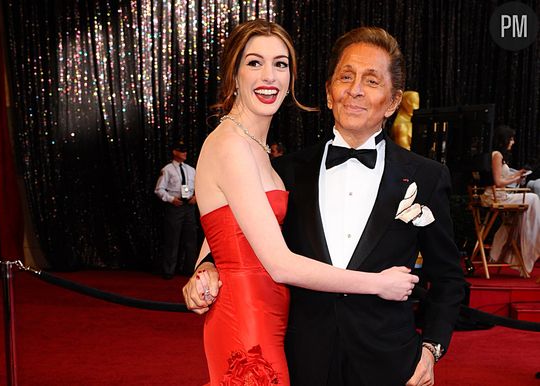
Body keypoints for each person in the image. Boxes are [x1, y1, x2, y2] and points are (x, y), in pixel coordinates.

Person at [185, 25, 466, 386]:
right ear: (329, 93)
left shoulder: (427, 178)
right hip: (299, 357)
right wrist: (206, 268)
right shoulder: (286, 171)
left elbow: (448, 278)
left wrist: (431, 351)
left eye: (372, 80)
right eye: (346, 77)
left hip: (389, 361)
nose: (356, 90)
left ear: (394, 102)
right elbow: (232, 232)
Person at [485, 125, 540, 275]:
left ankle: (531, 236)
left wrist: (518, 174)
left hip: (500, 194)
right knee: (533, 198)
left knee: (531, 200)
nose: (513, 142)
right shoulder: (497, 155)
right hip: (497, 196)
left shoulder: (498, 155)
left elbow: (503, 179)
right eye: (511, 139)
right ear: (504, 140)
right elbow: (498, 182)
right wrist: (516, 177)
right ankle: (533, 237)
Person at [155, 140, 197, 279]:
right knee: (172, 239)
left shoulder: (191, 170)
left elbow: (200, 186)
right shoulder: (167, 170)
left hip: (189, 207)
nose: (185, 153)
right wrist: (171, 199)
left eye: (185, 150)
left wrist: (196, 197)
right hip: (175, 207)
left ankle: (190, 269)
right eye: (181, 150)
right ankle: (168, 271)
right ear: (174, 152)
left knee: (190, 240)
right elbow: (159, 189)